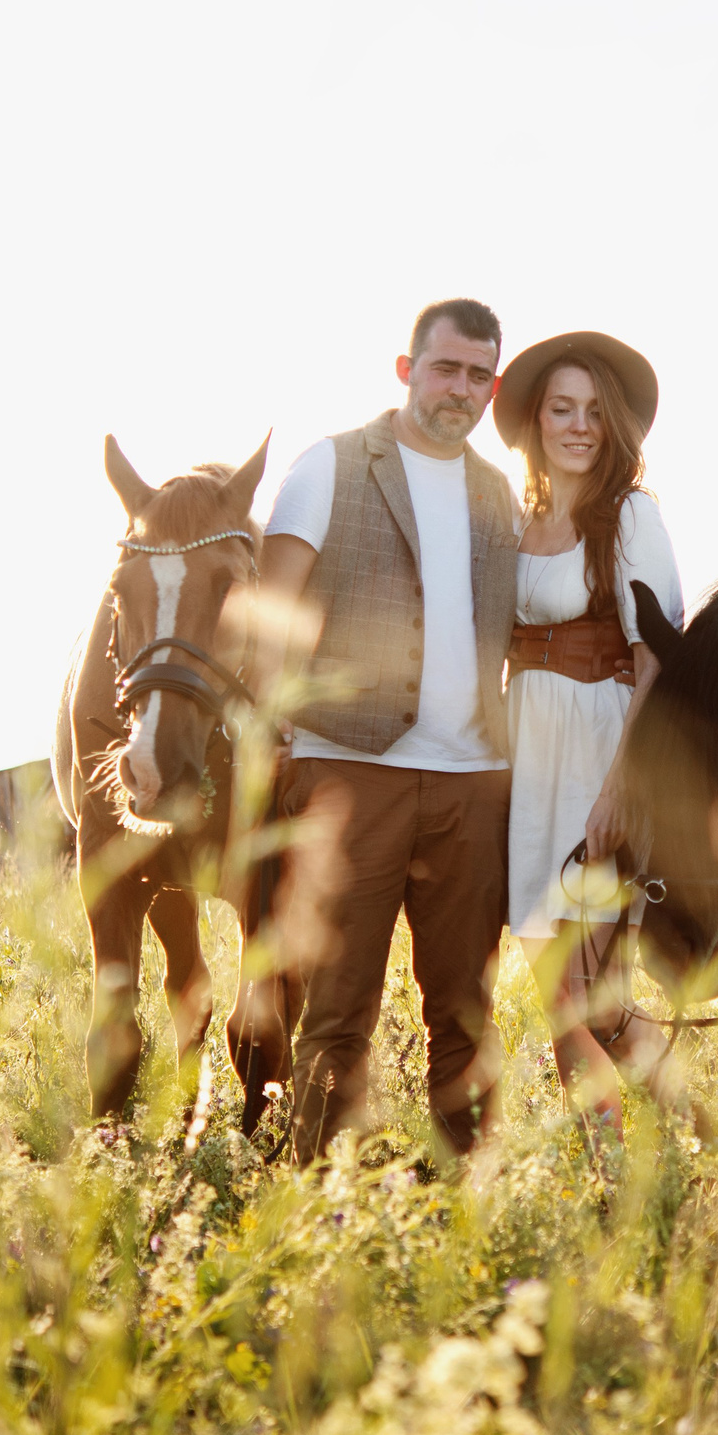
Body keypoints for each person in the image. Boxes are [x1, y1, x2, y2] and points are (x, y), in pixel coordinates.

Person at [251, 298, 519, 1161]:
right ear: (407, 370)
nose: (462, 389)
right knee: (336, 1011)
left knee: (466, 1012)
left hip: (473, 782)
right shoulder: (327, 467)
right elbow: (269, 610)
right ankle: (318, 1210)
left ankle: (462, 1209)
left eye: (480, 374)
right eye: (447, 368)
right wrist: (270, 728)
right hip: (347, 770)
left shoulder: (498, 492)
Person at [493, 331, 685, 1133]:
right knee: (560, 998)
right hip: (527, 760)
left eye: (594, 412)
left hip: (600, 753)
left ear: (614, 427)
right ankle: (622, 1165)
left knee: (589, 999)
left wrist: (620, 789)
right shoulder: (516, 519)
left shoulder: (631, 516)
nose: (577, 425)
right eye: (561, 408)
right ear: (536, 420)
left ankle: (707, 1139)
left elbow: (657, 662)